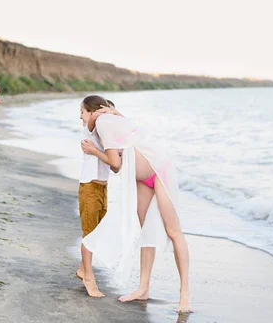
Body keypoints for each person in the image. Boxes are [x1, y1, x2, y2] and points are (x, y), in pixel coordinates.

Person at [81, 104, 192, 313]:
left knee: (173, 231)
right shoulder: (109, 122)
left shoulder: (104, 122)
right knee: (147, 231)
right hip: (142, 179)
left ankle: (185, 294)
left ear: (93, 111)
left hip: (160, 171)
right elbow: (128, 143)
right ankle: (143, 288)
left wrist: (94, 151)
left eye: (82, 113)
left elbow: (115, 164)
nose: (81, 118)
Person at [75, 96, 115, 298]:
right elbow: (91, 121)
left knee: (97, 232)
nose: (80, 117)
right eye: (83, 112)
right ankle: (89, 278)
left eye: (82, 112)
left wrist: (111, 112)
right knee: (89, 233)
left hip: (102, 188)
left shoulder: (104, 134)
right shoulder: (89, 129)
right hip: (89, 186)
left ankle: (83, 268)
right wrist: (101, 112)